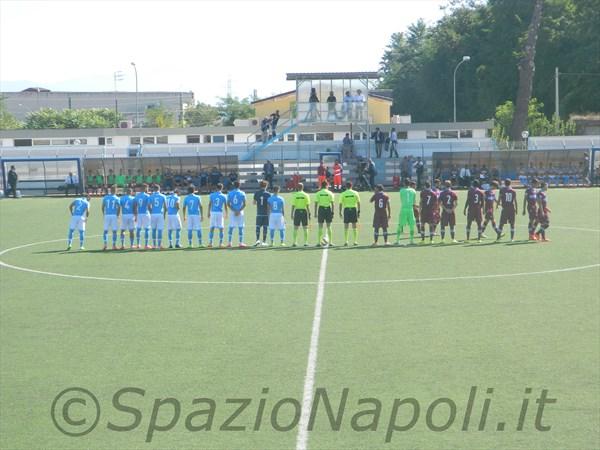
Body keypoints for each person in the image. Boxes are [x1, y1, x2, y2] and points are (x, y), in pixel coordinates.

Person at [396, 179, 417, 245]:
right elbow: (414, 202)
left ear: (404, 183)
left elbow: (402, 199)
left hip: (403, 209)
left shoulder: (401, 190)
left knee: (400, 225)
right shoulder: (413, 191)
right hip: (410, 209)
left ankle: (397, 240)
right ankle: (411, 240)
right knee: (412, 225)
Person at [339, 181, 360, 246]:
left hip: (346, 210)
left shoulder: (343, 193)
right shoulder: (355, 193)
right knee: (354, 225)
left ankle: (346, 241)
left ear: (346, 186)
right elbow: (359, 202)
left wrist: (340, 212)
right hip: (354, 209)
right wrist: (359, 211)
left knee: (346, 226)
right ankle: (355, 241)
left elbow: (340, 203)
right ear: (351, 186)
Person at [227, 181, 247, 248]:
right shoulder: (242, 193)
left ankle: (229, 243)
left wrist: (234, 210)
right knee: (241, 227)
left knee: (231, 227)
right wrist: (238, 211)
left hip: (233, 211)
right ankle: (241, 243)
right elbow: (244, 204)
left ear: (233, 185)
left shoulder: (230, 193)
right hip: (240, 212)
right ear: (239, 185)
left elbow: (228, 204)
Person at [314, 181, 335, 246]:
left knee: (320, 226)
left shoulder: (318, 193)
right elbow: (332, 203)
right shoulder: (330, 193)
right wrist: (332, 212)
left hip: (321, 210)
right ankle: (331, 242)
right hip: (328, 209)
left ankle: (318, 242)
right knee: (329, 226)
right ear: (327, 185)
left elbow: (316, 204)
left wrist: (315, 212)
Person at [207, 183, 228, 248]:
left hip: (213, 213)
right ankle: (220, 243)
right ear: (222, 188)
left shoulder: (212, 195)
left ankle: (210, 243)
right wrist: (226, 214)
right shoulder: (224, 196)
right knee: (221, 228)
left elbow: (210, 204)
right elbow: (225, 206)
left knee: (212, 228)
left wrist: (208, 212)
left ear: (216, 188)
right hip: (219, 213)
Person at [291, 182, 311, 247]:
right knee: (305, 227)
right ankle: (306, 242)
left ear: (297, 187)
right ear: (303, 187)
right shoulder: (306, 195)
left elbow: (293, 205)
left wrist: (292, 213)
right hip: (304, 211)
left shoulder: (295, 195)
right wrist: (309, 213)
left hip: (297, 211)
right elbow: (308, 206)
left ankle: (294, 242)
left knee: (295, 227)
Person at [102, 185, 121, 250]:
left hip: (107, 215)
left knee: (105, 231)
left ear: (110, 190)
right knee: (114, 231)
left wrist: (104, 214)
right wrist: (118, 215)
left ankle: (105, 245)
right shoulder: (117, 198)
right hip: (114, 215)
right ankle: (114, 245)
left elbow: (102, 207)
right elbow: (119, 207)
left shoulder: (105, 197)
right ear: (115, 190)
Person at [148, 185, 167, 249]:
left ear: (154, 189)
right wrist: (164, 215)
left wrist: (151, 213)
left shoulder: (151, 196)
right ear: (159, 189)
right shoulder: (163, 196)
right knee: (160, 230)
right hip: (160, 214)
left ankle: (154, 245)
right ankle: (159, 245)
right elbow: (165, 207)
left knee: (153, 230)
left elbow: (149, 206)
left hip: (153, 214)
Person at [253, 180, 271, 246]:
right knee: (265, 227)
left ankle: (257, 240)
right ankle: (264, 241)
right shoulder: (268, 194)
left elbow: (254, 203)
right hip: (266, 213)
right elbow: (269, 205)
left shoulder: (256, 193)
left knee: (258, 227)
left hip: (259, 213)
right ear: (266, 186)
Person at [134, 184, 151, 249]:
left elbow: (135, 206)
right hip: (146, 214)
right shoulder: (147, 196)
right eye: (147, 188)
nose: (148, 189)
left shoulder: (137, 196)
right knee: (147, 229)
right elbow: (149, 206)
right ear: (145, 188)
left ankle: (138, 244)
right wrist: (151, 213)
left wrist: (135, 215)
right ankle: (146, 245)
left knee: (138, 229)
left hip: (139, 214)